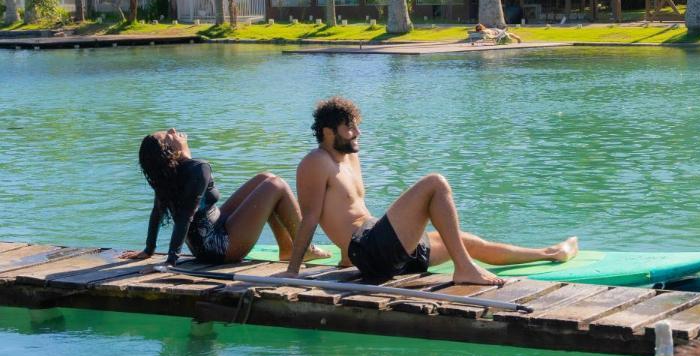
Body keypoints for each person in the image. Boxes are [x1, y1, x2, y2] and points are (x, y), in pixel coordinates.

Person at [285, 96, 577, 285]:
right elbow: (310, 218)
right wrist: (293, 272)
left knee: (466, 241)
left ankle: (550, 253)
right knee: (435, 183)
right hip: (371, 250)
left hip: (380, 249)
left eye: (356, 126)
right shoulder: (315, 163)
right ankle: (465, 268)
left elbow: (348, 210)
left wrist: (345, 258)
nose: (357, 133)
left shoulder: (350, 157)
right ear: (327, 132)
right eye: (349, 128)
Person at [120, 128, 330, 267]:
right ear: (170, 151)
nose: (173, 131)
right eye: (168, 135)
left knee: (265, 178)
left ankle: (287, 249)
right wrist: (171, 261)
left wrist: (149, 250)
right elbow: (184, 217)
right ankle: (306, 248)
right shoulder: (197, 168)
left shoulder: (171, 173)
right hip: (219, 247)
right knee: (276, 185)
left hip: (208, 238)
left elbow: (157, 212)